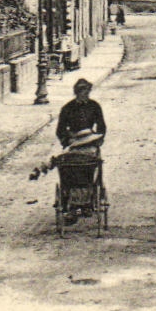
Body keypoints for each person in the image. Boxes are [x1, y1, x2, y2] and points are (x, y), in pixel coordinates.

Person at [51, 78, 107, 222]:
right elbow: (60, 130)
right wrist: (66, 140)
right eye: (82, 92)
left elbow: (102, 126)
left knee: (90, 166)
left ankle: (88, 201)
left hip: (89, 143)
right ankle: (69, 201)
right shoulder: (67, 108)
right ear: (76, 93)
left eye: (87, 92)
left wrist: (98, 139)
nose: (85, 94)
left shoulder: (94, 106)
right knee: (68, 166)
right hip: (73, 144)